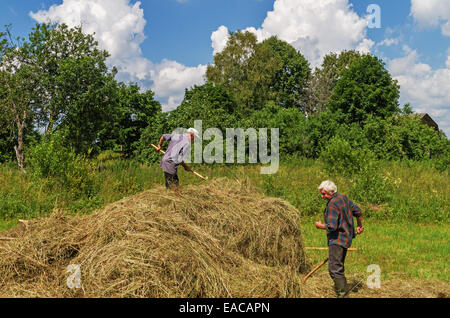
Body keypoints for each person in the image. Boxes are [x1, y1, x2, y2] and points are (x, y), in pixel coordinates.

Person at [315, 180, 364, 298]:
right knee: (339, 266)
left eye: (324, 194)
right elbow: (358, 211)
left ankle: (343, 295)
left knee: (334, 269)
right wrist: (360, 225)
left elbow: (332, 226)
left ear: (332, 192)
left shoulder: (332, 204)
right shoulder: (343, 197)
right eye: (321, 194)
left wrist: (320, 226)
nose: (322, 196)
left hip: (337, 240)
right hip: (346, 238)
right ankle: (343, 291)